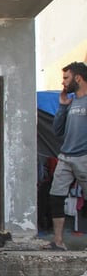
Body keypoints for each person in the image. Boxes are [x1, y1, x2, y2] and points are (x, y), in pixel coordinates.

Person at [47, 62, 87, 251]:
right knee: (56, 196)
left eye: (66, 78)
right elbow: (57, 131)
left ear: (78, 78)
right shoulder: (71, 102)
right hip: (65, 156)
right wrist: (62, 107)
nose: (63, 83)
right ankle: (58, 240)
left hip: (84, 157)